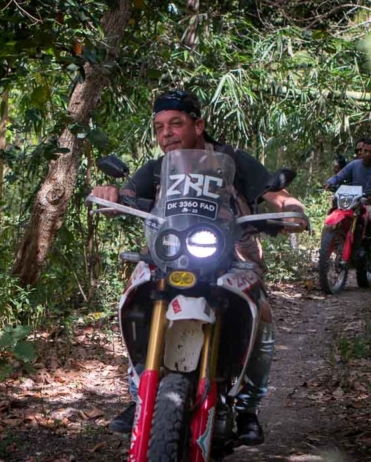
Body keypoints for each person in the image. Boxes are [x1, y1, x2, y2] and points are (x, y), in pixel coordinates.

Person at [91, 89, 308, 446]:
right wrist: (110, 195)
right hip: (167, 256)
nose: (167, 133)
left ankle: (247, 408)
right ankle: (139, 393)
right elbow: (126, 194)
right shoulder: (158, 168)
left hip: (231, 256)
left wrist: (290, 206)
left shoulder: (234, 161)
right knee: (135, 295)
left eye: (176, 123)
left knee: (262, 312)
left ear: (199, 124)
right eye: (160, 127)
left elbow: (272, 193)